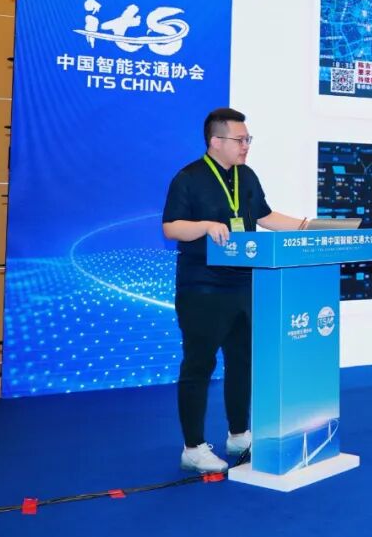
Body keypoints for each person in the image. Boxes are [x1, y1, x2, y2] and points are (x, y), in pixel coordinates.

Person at [162, 107, 305, 473]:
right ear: (215, 141)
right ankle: (193, 447)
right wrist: (205, 225)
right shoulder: (188, 178)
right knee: (199, 365)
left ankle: (239, 434)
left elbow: (264, 216)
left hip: (243, 284)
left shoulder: (247, 176)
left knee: (242, 362)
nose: (246, 146)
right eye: (240, 140)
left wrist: (308, 226)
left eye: (247, 139)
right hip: (202, 288)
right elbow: (171, 227)